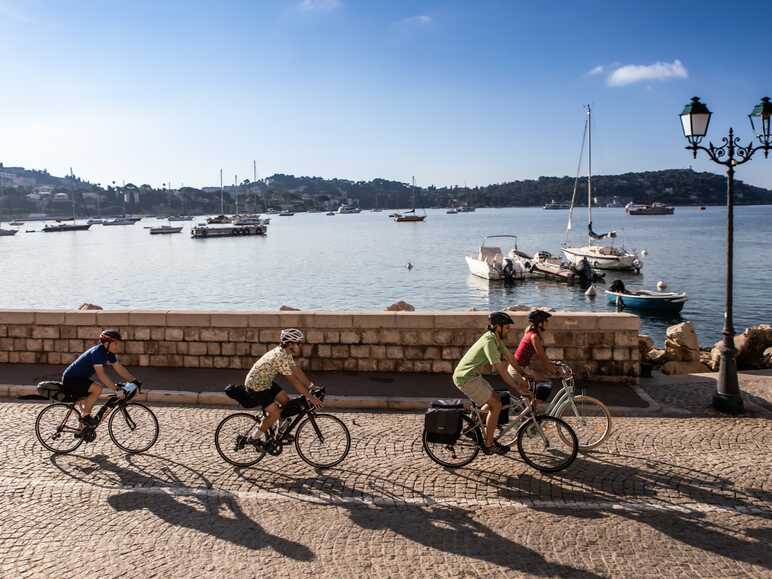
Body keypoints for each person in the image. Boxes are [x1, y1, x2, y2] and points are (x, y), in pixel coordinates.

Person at [452, 311, 533, 455]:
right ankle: (489, 445)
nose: (509, 331)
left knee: (495, 398)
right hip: (465, 378)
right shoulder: (489, 342)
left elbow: (510, 358)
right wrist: (517, 388)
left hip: (473, 376)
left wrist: (523, 374)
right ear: (498, 327)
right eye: (507, 327)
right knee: (496, 405)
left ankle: (471, 428)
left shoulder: (495, 339)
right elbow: (501, 370)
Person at [244, 328, 322, 446]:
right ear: (290, 344)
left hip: (266, 382)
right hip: (255, 386)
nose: (300, 346)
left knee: (285, 401)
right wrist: (310, 397)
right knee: (275, 413)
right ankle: (253, 437)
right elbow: (294, 382)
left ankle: (280, 432)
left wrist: (311, 385)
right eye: (299, 343)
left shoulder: (286, 353)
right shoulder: (280, 357)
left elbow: (296, 370)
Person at [61, 329, 140, 426]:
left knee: (91, 396)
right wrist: (116, 389)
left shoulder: (108, 353)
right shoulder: (98, 352)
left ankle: (82, 429)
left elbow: (119, 368)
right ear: (107, 343)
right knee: (97, 389)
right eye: (115, 343)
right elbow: (101, 375)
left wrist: (134, 381)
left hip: (80, 379)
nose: (117, 346)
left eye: (118, 343)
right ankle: (85, 416)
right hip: (71, 379)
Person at [510, 310, 561, 383]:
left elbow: (544, 358)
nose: (548, 322)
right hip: (518, 369)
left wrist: (552, 363)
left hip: (521, 367)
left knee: (541, 382)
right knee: (545, 383)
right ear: (540, 323)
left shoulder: (530, 332)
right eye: (546, 320)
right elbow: (542, 357)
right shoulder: (534, 337)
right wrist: (556, 373)